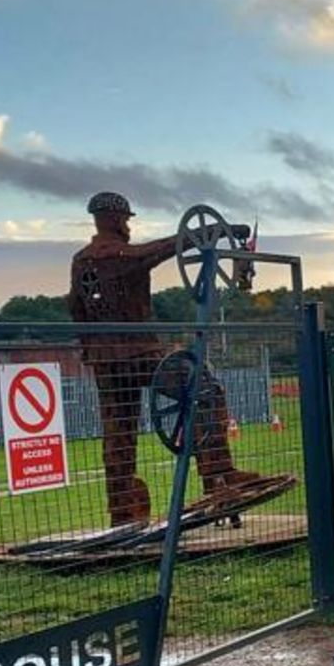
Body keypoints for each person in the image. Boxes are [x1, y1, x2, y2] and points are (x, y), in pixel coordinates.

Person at [66, 191, 265, 527]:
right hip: (139, 354)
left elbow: (74, 307)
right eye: (126, 219)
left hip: (103, 361)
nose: (128, 226)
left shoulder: (80, 260)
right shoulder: (120, 255)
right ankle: (219, 472)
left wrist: (93, 347)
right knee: (204, 387)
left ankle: (120, 512)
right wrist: (217, 232)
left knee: (118, 434)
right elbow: (162, 248)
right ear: (114, 219)